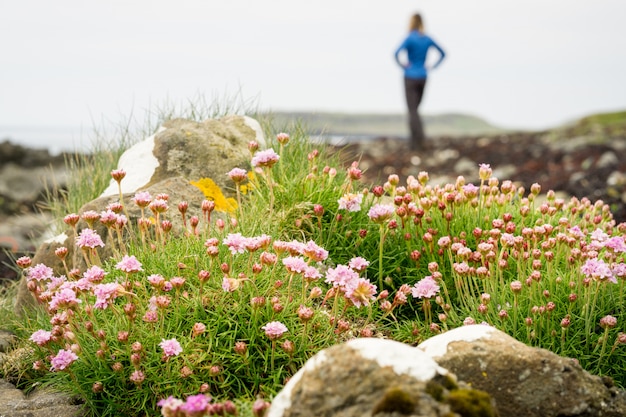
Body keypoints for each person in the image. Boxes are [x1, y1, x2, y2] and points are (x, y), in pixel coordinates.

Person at [394, 13, 445, 151]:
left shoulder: (410, 38)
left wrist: (403, 65)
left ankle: (417, 141)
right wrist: (433, 66)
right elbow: (443, 53)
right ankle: (416, 140)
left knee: (412, 111)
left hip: (410, 76)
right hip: (423, 76)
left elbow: (396, 53)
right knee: (415, 110)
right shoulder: (427, 38)